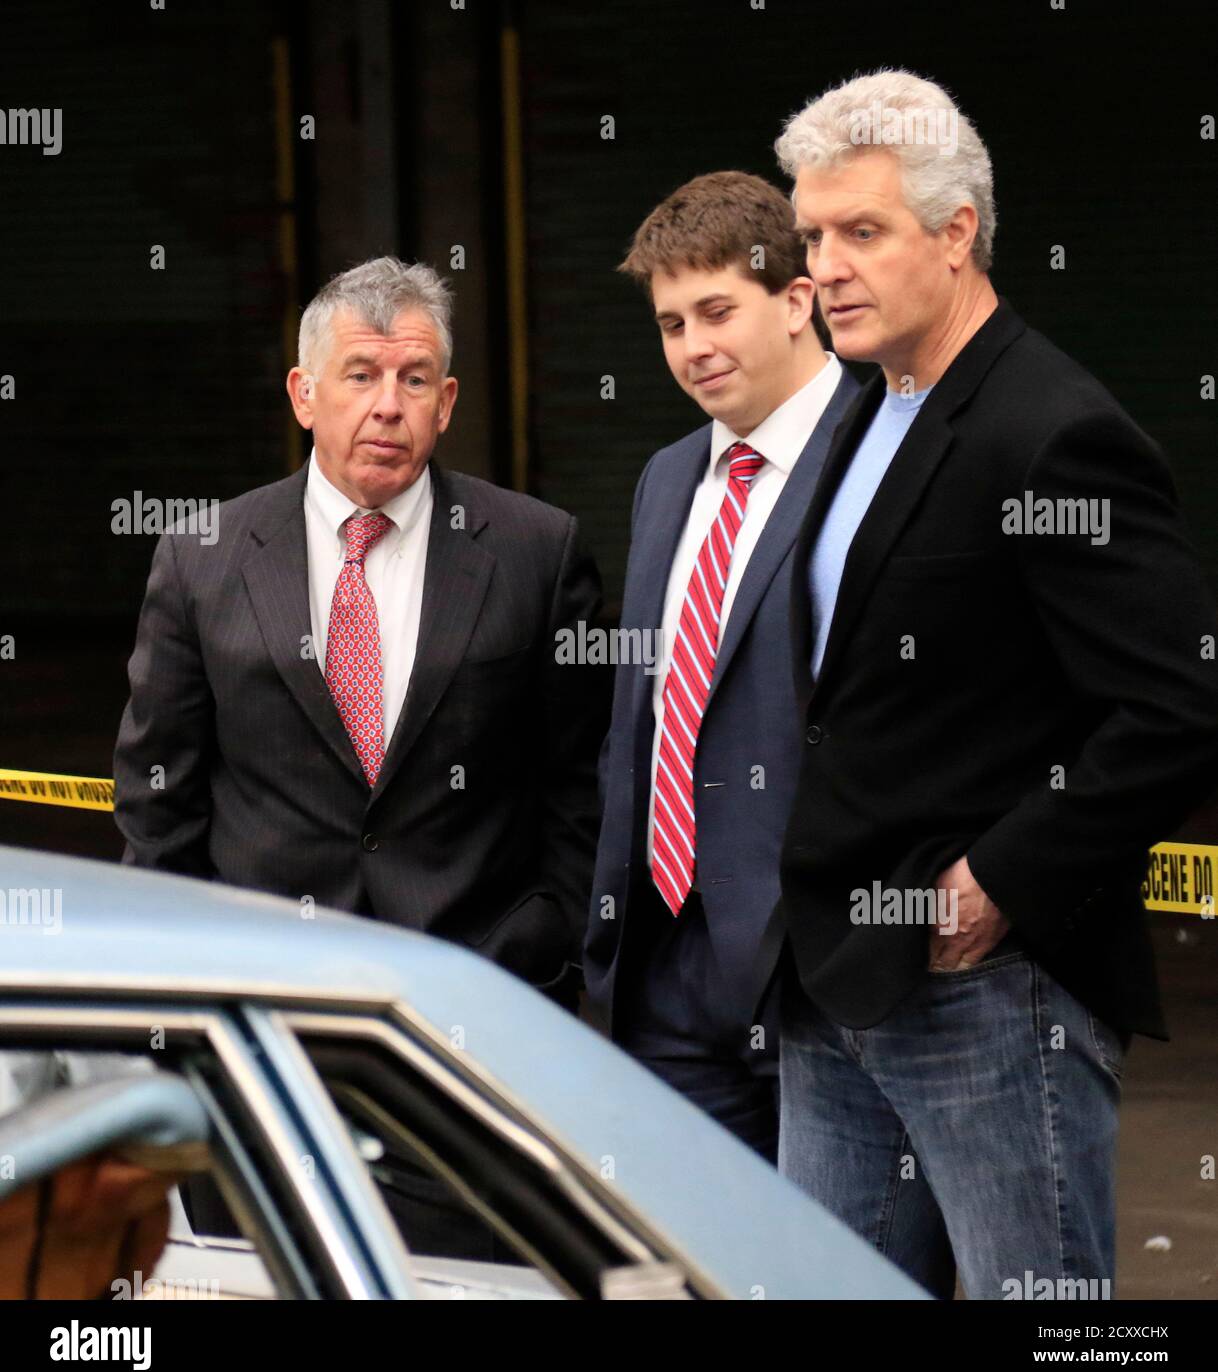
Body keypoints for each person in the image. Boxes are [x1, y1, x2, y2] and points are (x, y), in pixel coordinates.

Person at [767, 69, 1218, 1296]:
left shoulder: (1052, 428)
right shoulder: (863, 405)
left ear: (957, 232)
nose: (828, 267)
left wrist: (995, 887)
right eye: (813, 236)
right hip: (831, 978)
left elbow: (1178, 708)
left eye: (863, 231)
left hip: (987, 996)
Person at [114, 256, 607, 1254]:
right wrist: (177, 1010)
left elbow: (581, 783)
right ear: (303, 393)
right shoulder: (202, 555)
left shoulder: (534, 549)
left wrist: (543, 946)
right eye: (360, 375)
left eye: (414, 378)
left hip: (476, 1034)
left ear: (448, 399)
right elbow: (156, 801)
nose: (388, 405)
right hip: (261, 1038)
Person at [584, 172, 860, 1161]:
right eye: (669, 324)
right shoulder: (667, 478)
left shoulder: (884, 457)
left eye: (716, 311)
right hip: (665, 965)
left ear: (797, 300)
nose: (693, 347)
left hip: (821, 973)